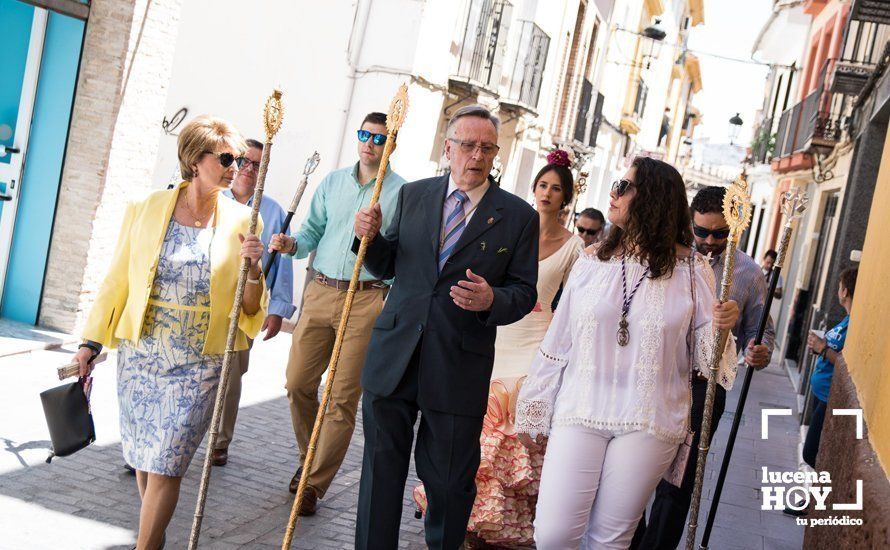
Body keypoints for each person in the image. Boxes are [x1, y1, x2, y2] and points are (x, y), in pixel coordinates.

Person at [515, 157, 740, 548]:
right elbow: (559, 340)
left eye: (623, 186)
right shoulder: (592, 261)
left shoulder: (692, 272)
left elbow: (710, 361)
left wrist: (723, 326)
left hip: (649, 419)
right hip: (581, 407)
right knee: (552, 534)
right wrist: (536, 403)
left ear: (651, 198)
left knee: (609, 540)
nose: (613, 193)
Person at [73, 115, 268, 550]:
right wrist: (90, 342)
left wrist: (254, 268)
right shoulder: (146, 210)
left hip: (200, 362)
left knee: (166, 463)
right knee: (144, 461)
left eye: (239, 158)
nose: (237, 166)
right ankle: (154, 540)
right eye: (227, 158)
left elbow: (251, 307)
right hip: (142, 354)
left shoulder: (242, 222)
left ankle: (144, 546)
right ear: (196, 160)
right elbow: (118, 279)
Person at [352, 104, 539, 549]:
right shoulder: (414, 195)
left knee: (450, 485)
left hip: (458, 366)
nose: (476, 156)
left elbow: (525, 291)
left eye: (486, 148)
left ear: (497, 154)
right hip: (395, 356)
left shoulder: (517, 216)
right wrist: (369, 237)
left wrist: (493, 299)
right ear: (448, 147)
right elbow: (385, 263)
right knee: (380, 476)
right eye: (467, 145)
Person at [413, 149, 583, 546]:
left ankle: (499, 520)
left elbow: (571, 305)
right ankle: (467, 517)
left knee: (508, 421)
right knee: (475, 429)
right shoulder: (514, 225)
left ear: (566, 197)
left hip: (537, 340)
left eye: (555, 189)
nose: (546, 193)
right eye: (542, 185)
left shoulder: (575, 249)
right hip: (496, 329)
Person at [267, 112, 406, 515]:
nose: (370, 143)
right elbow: (312, 232)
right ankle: (310, 457)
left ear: (391, 144)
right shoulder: (331, 182)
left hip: (367, 298)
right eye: (365, 135)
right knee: (297, 384)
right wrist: (291, 244)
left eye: (379, 139)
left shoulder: (401, 193)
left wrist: (387, 298)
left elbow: (400, 253)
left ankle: (313, 484)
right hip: (322, 289)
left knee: (342, 399)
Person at [632, 184, 776, 549]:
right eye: (702, 231)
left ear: (735, 229)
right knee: (633, 470)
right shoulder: (669, 257)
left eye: (720, 233)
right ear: (689, 223)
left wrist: (760, 351)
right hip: (653, 378)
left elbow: (761, 331)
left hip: (704, 388)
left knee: (677, 482)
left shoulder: (749, 273)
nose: (710, 241)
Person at [212, 138, 296, 466]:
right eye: (243, 161)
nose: (248, 168)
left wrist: (277, 310)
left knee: (232, 373)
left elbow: (282, 265)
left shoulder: (273, 212)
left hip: (245, 302)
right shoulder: (214, 198)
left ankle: (219, 440)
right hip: (205, 299)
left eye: (257, 165)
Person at [803, 267, 856, 469]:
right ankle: (813, 498)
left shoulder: (854, 323)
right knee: (817, 450)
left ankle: (820, 496)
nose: (838, 291)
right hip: (821, 393)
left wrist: (822, 348)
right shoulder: (846, 320)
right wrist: (820, 345)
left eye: (839, 287)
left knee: (811, 453)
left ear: (845, 292)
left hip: (829, 397)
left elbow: (846, 362)